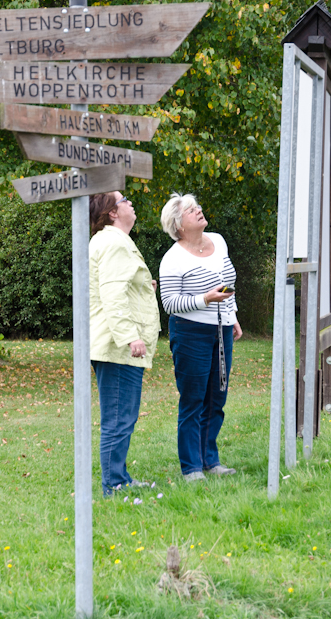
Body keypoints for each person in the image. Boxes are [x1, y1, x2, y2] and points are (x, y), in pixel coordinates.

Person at [158, 193, 242, 482]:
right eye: (192, 210)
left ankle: (211, 460)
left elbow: (228, 283)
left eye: (198, 207)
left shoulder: (218, 241)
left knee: (216, 397)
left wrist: (233, 315)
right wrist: (204, 299)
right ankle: (191, 468)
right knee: (193, 399)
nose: (200, 211)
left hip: (222, 328)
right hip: (191, 333)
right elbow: (169, 303)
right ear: (178, 224)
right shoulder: (172, 258)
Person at [89, 191, 160, 495]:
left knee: (122, 417)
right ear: (113, 212)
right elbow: (113, 295)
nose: (131, 203)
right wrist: (130, 336)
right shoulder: (115, 242)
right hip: (117, 346)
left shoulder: (113, 242)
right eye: (125, 200)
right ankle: (114, 484)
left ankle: (119, 478)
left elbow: (120, 287)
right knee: (118, 419)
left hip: (114, 342)